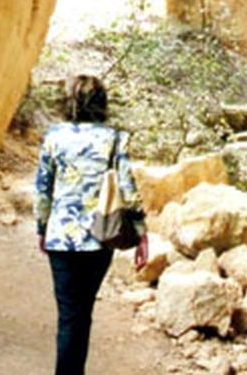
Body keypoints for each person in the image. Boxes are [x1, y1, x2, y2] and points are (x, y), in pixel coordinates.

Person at [34, 74, 148, 375]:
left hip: (61, 238)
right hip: (100, 237)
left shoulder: (54, 137)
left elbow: (43, 188)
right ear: (101, 103)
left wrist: (42, 229)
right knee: (82, 314)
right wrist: (141, 234)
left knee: (70, 316)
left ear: (69, 102)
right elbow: (127, 188)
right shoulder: (113, 138)